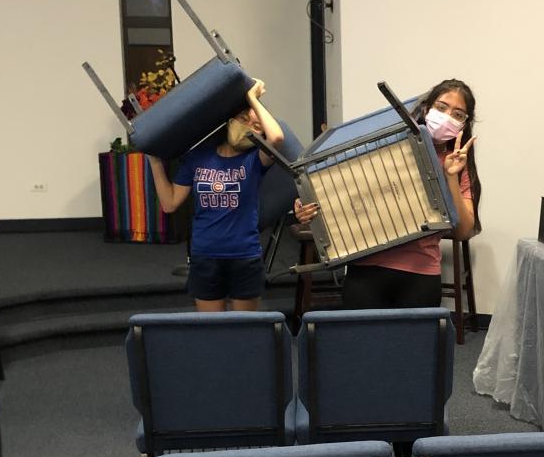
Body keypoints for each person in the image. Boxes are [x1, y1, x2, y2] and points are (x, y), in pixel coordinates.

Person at [294, 79, 481, 309]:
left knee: (414, 334)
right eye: (441, 108)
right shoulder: (386, 144)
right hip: (365, 269)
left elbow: (463, 231)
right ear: (426, 109)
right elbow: (342, 188)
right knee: (363, 332)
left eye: (457, 114)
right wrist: (308, 206)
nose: (447, 117)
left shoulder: (458, 163)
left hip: (420, 273)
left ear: (464, 124)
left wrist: (451, 176)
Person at [149, 80, 285, 311]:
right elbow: (170, 203)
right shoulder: (198, 157)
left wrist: (252, 98)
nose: (247, 127)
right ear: (230, 119)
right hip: (206, 254)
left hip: (244, 254)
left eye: (255, 126)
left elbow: (277, 138)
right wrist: (154, 161)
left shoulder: (255, 159)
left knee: (246, 328)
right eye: (243, 119)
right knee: (213, 328)